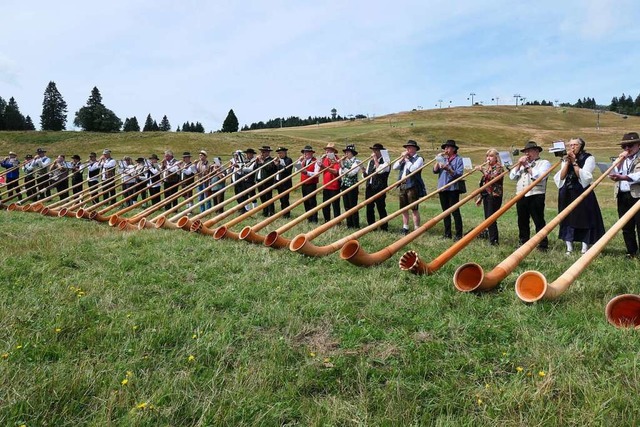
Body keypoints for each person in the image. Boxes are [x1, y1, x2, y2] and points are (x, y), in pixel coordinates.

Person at [553, 138, 606, 255]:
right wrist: (567, 162)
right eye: (570, 145)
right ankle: (569, 247)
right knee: (567, 218)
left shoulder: (589, 158)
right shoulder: (566, 159)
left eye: (575, 145)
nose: (572, 147)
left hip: (582, 191)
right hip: (567, 191)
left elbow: (585, 177)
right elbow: (561, 177)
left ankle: (584, 247)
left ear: (581, 146)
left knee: (584, 218)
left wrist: (575, 162)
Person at [509, 141, 552, 251]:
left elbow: (539, 177)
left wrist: (527, 166)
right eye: (525, 152)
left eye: (529, 151)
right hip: (521, 195)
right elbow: (512, 177)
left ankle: (542, 245)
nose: (527, 154)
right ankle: (523, 242)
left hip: (536, 194)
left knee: (538, 220)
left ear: (537, 151)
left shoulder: (544, 163)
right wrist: (519, 165)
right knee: (522, 220)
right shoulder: (522, 165)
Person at [610, 132, 640, 258]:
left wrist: (623, 177)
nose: (627, 149)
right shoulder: (621, 159)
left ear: (638, 145)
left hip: (637, 196)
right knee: (626, 225)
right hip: (622, 195)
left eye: (630, 145)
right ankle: (631, 252)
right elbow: (613, 173)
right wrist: (618, 165)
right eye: (624, 146)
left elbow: (638, 176)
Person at [433, 139, 464, 240]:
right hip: (442, 187)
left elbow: (459, 174)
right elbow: (435, 171)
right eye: (445, 147)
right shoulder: (443, 158)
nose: (446, 149)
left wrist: (449, 169)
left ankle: (459, 235)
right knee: (445, 212)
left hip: (453, 188)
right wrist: (437, 160)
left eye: (448, 147)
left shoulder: (458, 159)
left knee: (455, 211)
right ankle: (447, 234)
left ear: (453, 149)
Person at [393, 140, 425, 235]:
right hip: (403, 185)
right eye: (407, 148)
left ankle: (416, 229)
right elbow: (395, 167)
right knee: (403, 208)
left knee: (414, 208)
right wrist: (401, 159)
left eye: (410, 147)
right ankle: (405, 228)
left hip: (413, 186)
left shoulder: (419, 159)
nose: (408, 149)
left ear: (415, 149)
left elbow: (413, 169)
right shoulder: (405, 159)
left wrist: (407, 160)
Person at [475, 148, 504, 245]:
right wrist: (480, 197)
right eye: (487, 156)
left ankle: (494, 241)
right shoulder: (488, 168)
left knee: (491, 218)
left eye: (491, 156)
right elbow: (484, 183)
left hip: (495, 196)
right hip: (487, 195)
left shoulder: (499, 167)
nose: (488, 158)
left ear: (496, 158)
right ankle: (491, 238)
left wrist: (482, 170)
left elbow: (493, 178)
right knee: (487, 218)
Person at [362, 143, 390, 231]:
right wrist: (363, 170)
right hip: (370, 187)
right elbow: (366, 175)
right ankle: (371, 226)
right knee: (369, 207)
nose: (374, 152)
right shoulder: (370, 162)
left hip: (380, 187)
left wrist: (375, 159)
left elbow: (379, 171)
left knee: (381, 207)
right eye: (373, 150)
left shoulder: (386, 162)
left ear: (381, 152)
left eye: (376, 150)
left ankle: (384, 227)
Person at [316, 142, 341, 223]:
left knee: (335, 206)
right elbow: (319, 172)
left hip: (334, 186)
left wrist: (324, 167)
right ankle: (327, 221)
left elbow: (336, 172)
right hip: (326, 185)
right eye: (326, 150)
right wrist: (319, 165)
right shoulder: (325, 159)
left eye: (329, 150)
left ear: (333, 151)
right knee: (325, 206)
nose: (327, 152)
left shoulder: (337, 159)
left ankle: (337, 223)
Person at [339, 144, 361, 228]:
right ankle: (349, 225)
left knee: (353, 206)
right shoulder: (345, 161)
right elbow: (341, 173)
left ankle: (356, 225)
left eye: (347, 152)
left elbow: (351, 173)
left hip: (352, 186)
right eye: (345, 152)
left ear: (352, 153)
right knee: (346, 206)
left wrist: (343, 166)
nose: (346, 154)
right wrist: (342, 166)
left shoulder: (357, 161)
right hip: (344, 185)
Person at [296, 145, 319, 223]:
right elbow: (296, 170)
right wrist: (299, 161)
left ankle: (314, 219)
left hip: (311, 183)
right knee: (305, 201)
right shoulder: (303, 161)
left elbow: (317, 174)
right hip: (304, 183)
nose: (305, 154)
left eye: (307, 152)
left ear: (311, 153)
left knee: (312, 201)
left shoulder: (315, 161)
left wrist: (307, 172)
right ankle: (308, 218)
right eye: (304, 153)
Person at [254, 146, 278, 217]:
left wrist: (262, 162)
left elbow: (269, 168)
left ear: (268, 153)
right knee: (262, 197)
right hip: (259, 181)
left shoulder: (271, 160)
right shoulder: (260, 160)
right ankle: (265, 212)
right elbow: (255, 169)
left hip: (267, 181)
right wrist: (256, 162)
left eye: (263, 152)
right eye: (261, 152)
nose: (261, 153)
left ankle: (271, 212)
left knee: (268, 197)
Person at [274, 147, 293, 218]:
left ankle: (287, 214)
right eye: (278, 153)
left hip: (285, 183)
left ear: (285, 153)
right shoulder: (278, 161)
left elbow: (286, 170)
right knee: (281, 199)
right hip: (279, 182)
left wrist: (278, 164)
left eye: (281, 153)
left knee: (285, 199)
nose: (279, 155)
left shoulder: (288, 160)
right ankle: (283, 213)